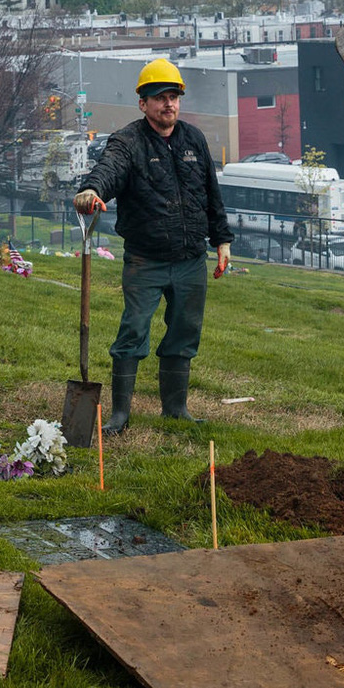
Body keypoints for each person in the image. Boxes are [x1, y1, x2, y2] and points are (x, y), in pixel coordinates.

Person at [74, 58, 232, 434]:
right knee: (133, 331)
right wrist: (93, 190)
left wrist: (222, 239)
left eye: (174, 96)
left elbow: (212, 192)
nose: (168, 104)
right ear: (142, 103)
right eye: (159, 98)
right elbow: (108, 169)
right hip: (146, 260)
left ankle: (176, 410)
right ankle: (119, 415)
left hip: (192, 258)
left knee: (184, 332)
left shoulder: (194, 138)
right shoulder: (127, 142)